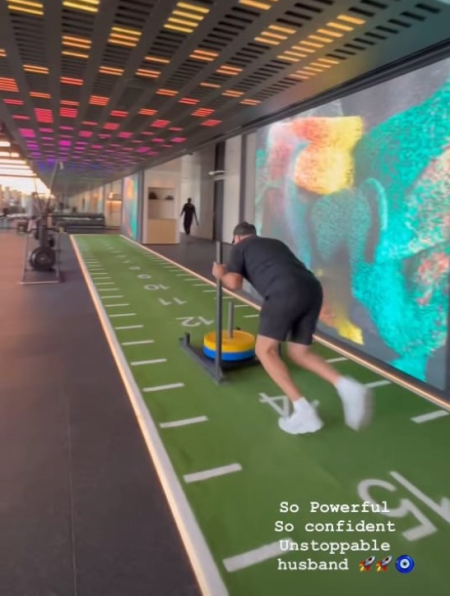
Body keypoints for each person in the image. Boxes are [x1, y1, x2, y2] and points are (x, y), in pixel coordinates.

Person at [212, 222, 373, 435]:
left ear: (237, 238)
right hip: (312, 288)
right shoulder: (275, 243)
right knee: (299, 352)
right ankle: (347, 387)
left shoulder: (240, 247)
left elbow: (234, 283)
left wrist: (220, 273)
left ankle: (303, 410)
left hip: (283, 289)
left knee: (265, 350)